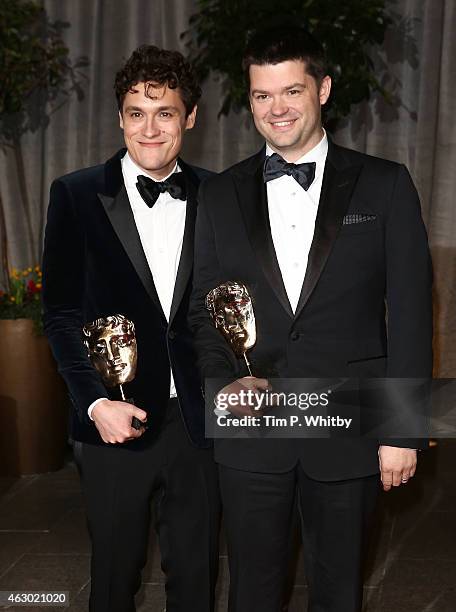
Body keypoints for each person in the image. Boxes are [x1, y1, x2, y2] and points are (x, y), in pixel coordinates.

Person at [189, 26, 432, 612]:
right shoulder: (220, 195)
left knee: (339, 589)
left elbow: (412, 313)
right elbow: (203, 308)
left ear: (322, 90)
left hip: (350, 423)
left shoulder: (385, 184)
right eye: (261, 96)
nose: (276, 110)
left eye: (291, 92)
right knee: (251, 588)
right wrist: (224, 389)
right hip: (252, 428)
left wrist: (403, 431)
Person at [42, 44, 219, 612]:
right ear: (119, 117)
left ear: (189, 117)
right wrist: (96, 404)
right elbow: (62, 315)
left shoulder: (220, 196)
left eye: (165, 112)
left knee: (196, 577)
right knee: (114, 577)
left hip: (198, 422)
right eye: (136, 112)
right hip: (114, 421)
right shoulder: (75, 194)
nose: (149, 128)